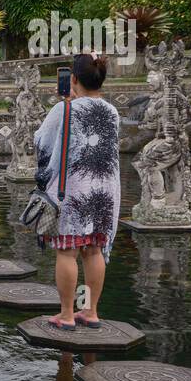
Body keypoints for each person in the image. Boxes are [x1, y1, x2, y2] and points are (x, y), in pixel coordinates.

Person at [33, 52, 120, 331]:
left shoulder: (65, 109)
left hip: (74, 188)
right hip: (105, 189)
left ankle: (67, 314)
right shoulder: (112, 111)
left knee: (68, 251)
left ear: (73, 79)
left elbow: (42, 143)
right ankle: (91, 311)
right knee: (94, 249)